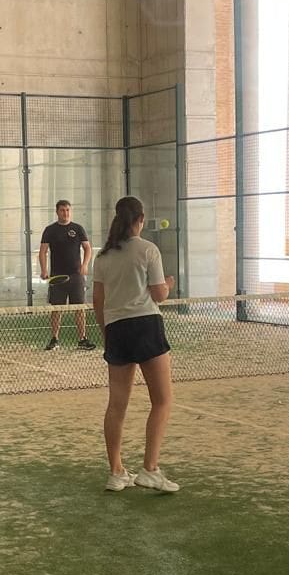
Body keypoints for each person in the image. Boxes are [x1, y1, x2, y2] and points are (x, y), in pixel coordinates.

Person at [91, 195, 178, 494]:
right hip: (146, 326)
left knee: (117, 405)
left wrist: (107, 333)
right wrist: (168, 284)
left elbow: (98, 301)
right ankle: (150, 469)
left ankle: (116, 473)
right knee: (163, 400)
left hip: (117, 330)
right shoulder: (148, 250)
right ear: (140, 220)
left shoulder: (103, 257)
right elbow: (159, 295)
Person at [38, 199, 96, 351]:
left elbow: (88, 248)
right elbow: (43, 251)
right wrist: (44, 270)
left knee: (79, 307)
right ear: (57, 212)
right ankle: (54, 339)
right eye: (62, 210)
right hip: (57, 276)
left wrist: (85, 265)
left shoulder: (78, 228)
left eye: (68, 210)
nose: (65, 213)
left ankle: (82, 339)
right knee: (56, 308)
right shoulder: (50, 230)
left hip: (76, 276)